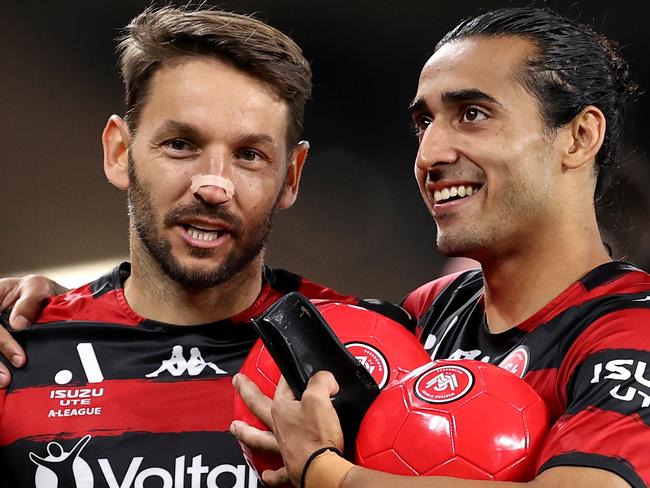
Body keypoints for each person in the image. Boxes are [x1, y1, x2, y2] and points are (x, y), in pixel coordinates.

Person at [231, 6, 649, 488]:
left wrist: (325, 472)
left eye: (472, 115)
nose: (429, 154)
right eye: (423, 123)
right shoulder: (432, 309)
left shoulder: (633, 328)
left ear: (579, 137)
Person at [0, 6, 407, 487]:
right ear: (118, 153)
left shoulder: (373, 350)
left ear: (291, 177)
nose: (214, 186)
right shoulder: (18, 352)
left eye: (249, 155)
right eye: (180, 144)